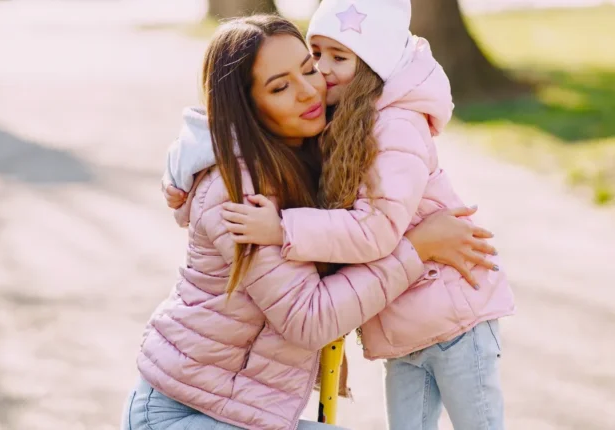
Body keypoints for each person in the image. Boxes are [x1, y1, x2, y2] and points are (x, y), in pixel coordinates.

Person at [125, 15, 481, 430]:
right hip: (186, 413)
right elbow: (309, 318)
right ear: (247, 108)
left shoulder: (315, 149)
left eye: (309, 68)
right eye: (280, 87)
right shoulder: (239, 194)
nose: (309, 90)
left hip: (241, 410)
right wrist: (419, 249)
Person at [216, 1, 516, 428]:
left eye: (340, 58)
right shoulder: (341, 123)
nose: (323, 69)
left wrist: (282, 227)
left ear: (375, 66)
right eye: (316, 53)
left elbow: (377, 229)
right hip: (405, 331)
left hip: (455, 317)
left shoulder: (394, 126)